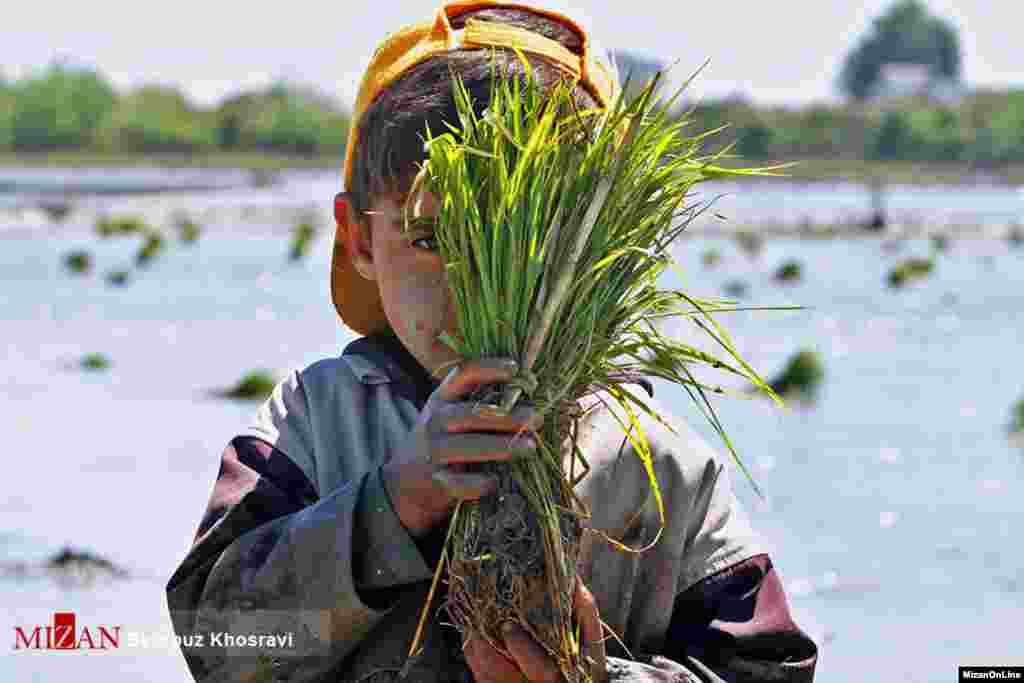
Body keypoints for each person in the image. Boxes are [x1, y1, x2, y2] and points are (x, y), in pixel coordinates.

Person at [166, 2, 819, 681]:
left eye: (525, 238)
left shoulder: (654, 462)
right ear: (360, 236)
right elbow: (216, 644)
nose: (470, 282)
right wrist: (395, 502)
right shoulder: (319, 421)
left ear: (595, 245)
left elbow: (770, 668)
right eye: (430, 239)